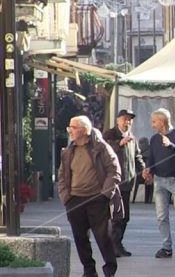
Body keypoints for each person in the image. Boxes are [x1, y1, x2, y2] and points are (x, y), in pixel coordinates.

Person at [58, 115, 120, 277]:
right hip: (75, 200)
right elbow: (62, 176)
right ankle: (89, 270)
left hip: (96, 199)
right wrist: (66, 197)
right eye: (69, 128)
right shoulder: (68, 151)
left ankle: (110, 270)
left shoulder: (101, 147)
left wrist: (105, 194)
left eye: (73, 127)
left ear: (84, 130)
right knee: (80, 238)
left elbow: (114, 170)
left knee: (103, 237)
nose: (70, 131)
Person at [142, 108, 175, 259]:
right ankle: (166, 248)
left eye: (154, 121)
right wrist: (148, 169)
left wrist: (170, 145)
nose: (152, 125)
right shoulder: (154, 139)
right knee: (162, 216)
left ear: (162, 122)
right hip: (160, 181)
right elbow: (152, 158)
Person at [103, 108, 145, 257]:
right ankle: (114, 246)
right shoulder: (110, 134)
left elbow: (137, 156)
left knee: (124, 216)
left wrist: (144, 170)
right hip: (114, 182)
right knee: (116, 215)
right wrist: (120, 143)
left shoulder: (132, 137)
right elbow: (104, 152)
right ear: (118, 120)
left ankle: (117, 243)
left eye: (130, 119)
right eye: (125, 119)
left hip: (128, 181)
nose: (127, 122)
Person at [137, 137, 153, 204]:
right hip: (148, 174)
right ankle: (148, 200)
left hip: (139, 175)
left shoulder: (138, 151)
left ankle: (147, 200)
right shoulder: (150, 151)